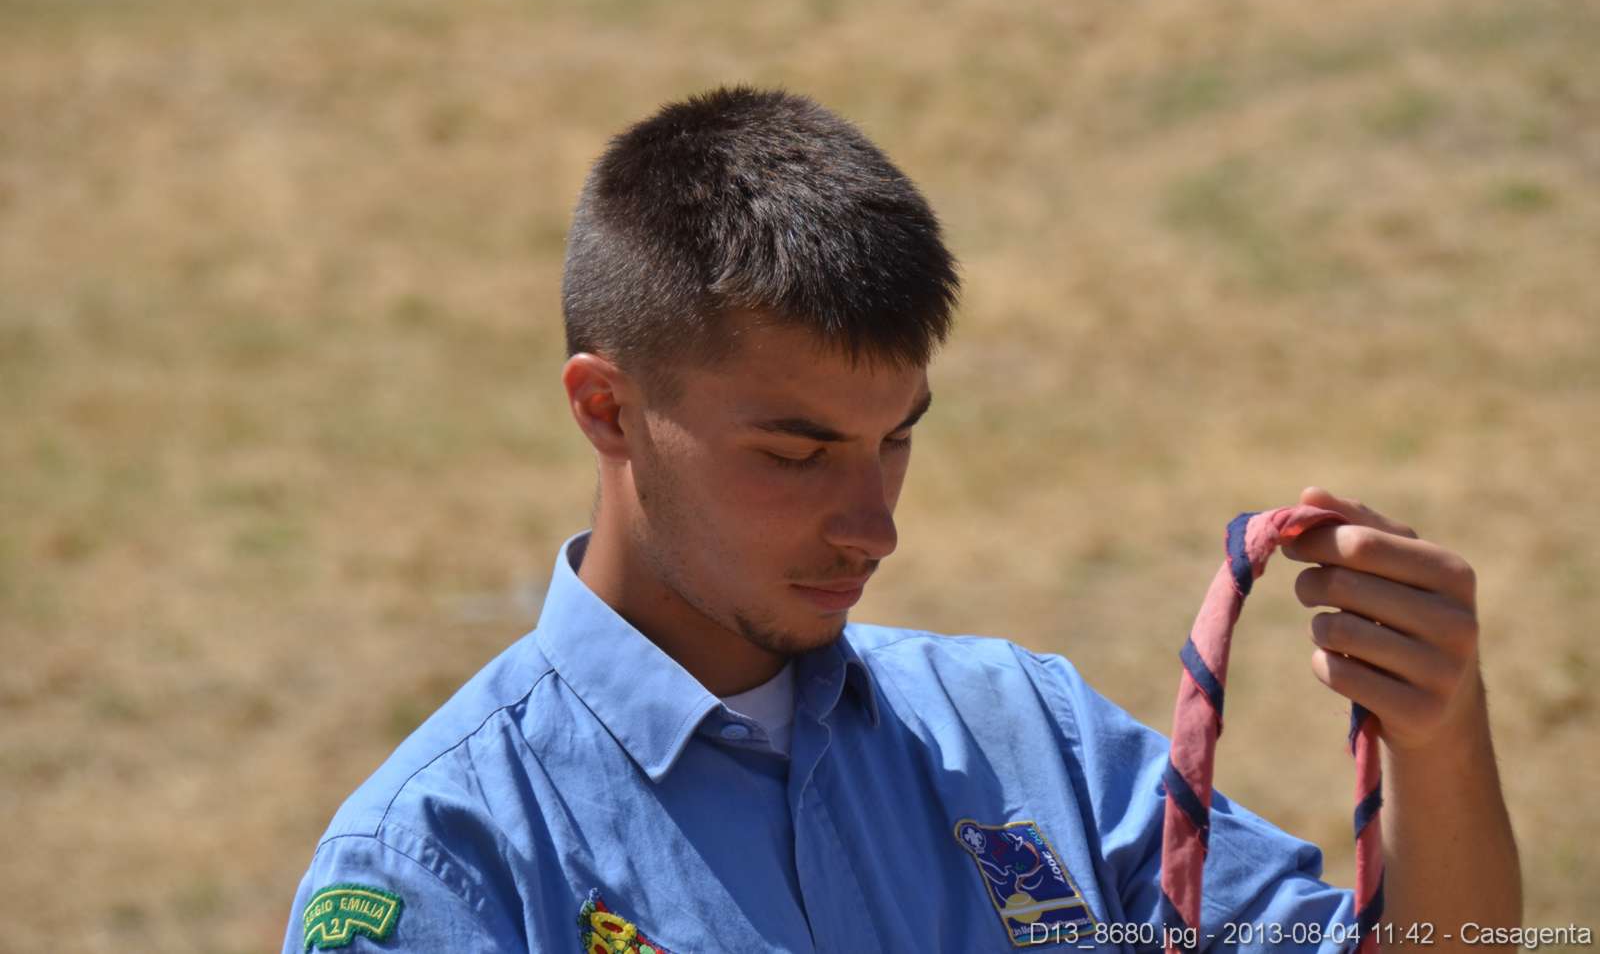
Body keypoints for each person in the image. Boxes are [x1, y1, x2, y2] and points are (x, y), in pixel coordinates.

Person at [281, 85, 1519, 952]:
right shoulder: (441, 860)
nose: (873, 526)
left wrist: (1438, 733)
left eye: (897, 439)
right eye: (798, 451)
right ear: (608, 409)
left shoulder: (1030, 737)